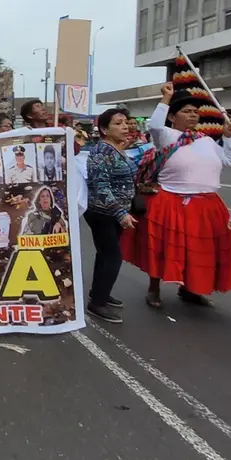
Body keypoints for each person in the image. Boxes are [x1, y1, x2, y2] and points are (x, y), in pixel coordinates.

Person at [123, 82, 231, 308]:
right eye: (187, 111)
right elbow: (155, 126)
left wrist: (228, 138)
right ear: (172, 117)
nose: (193, 115)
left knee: (198, 252)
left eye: (195, 112)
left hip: (206, 204)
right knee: (162, 249)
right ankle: (154, 288)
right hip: (171, 201)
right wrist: (166, 98)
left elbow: (229, 160)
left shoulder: (206, 140)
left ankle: (190, 289)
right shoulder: (167, 136)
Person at [84, 108, 138, 324]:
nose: (125, 126)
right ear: (104, 129)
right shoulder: (100, 153)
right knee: (112, 256)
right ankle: (97, 303)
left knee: (105, 254)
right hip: (103, 212)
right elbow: (101, 187)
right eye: (118, 123)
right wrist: (120, 213)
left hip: (116, 213)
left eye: (126, 122)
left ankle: (99, 293)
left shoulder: (118, 149)